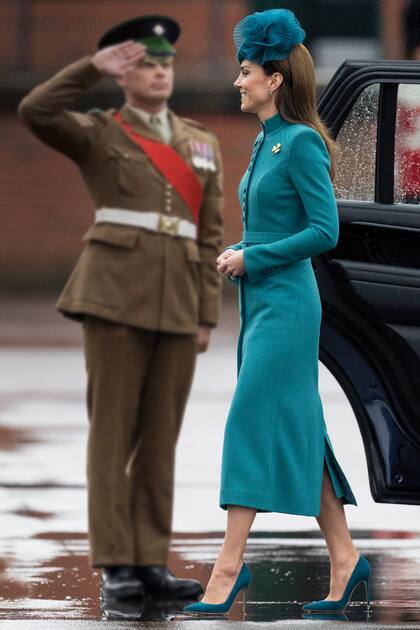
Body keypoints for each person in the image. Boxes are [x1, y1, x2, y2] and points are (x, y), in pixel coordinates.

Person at [18, 15, 224, 600]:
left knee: (161, 437)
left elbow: (209, 234)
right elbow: (35, 110)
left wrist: (206, 312)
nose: (159, 73)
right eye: (146, 65)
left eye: (166, 65)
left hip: (179, 302)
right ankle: (115, 564)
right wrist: (89, 68)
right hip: (112, 297)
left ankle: (150, 561)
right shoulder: (99, 132)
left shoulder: (202, 144)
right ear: (125, 74)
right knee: (112, 435)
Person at [184, 8, 371, 616]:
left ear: (275, 79)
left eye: (245, 71)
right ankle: (345, 558)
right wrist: (245, 254)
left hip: (289, 306)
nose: (237, 82)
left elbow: (325, 230)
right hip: (262, 303)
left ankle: (227, 568)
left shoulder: (304, 143)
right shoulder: (268, 139)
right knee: (298, 428)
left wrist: (253, 256)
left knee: (249, 421)